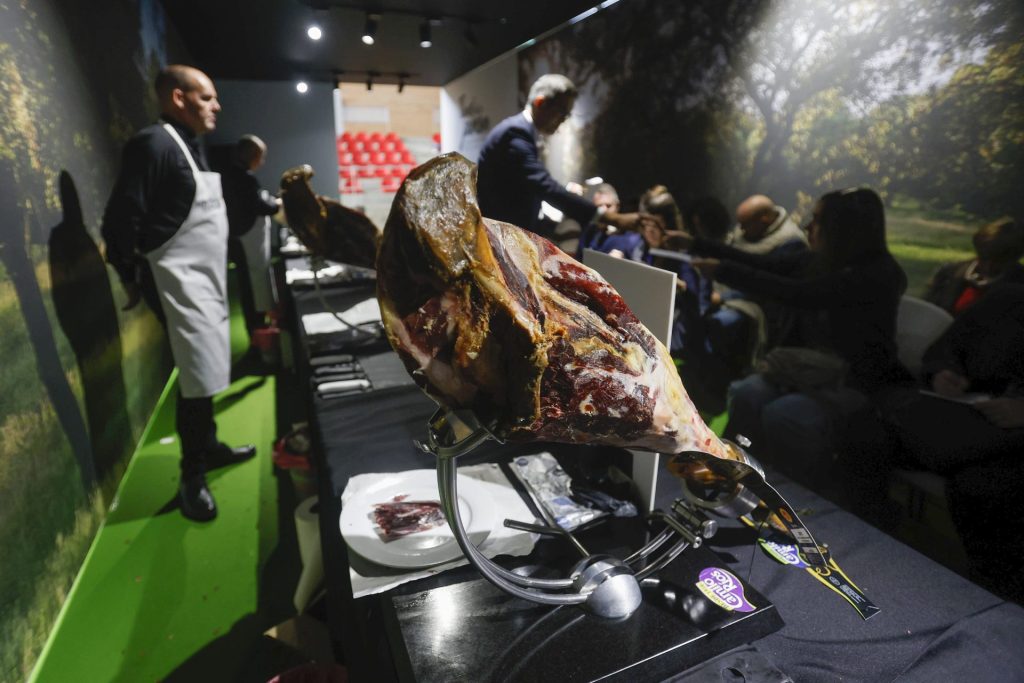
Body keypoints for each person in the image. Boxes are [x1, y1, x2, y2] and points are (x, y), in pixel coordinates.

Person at [101, 64, 255, 522]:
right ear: (177, 98)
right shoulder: (154, 144)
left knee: (205, 368)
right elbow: (120, 219)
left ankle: (209, 445)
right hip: (178, 280)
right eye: (206, 98)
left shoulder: (188, 146)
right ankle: (192, 478)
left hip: (204, 279)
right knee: (195, 375)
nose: (216, 106)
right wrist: (130, 276)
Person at [679, 188, 909, 478]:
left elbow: (798, 293)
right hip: (805, 371)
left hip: (852, 381)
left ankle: (788, 489)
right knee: (746, 393)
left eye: (818, 220)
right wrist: (696, 244)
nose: (808, 226)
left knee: (783, 414)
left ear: (843, 228)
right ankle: (736, 473)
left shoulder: (876, 275)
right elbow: (762, 264)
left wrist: (722, 270)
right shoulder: (820, 261)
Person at [839, 284, 1024, 601]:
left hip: (1009, 446)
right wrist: (944, 371)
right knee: (865, 430)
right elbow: (949, 346)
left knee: (982, 488)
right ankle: (868, 539)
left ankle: (991, 597)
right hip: (965, 416)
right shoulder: (1010, 298)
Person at [477, 74, 636, 238]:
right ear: (540, 103)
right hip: (498, 237)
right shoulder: (515, 132)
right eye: (563, 113)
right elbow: (543, 186)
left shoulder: (521, 133)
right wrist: (613, 218)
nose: (563, 120)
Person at [216, 134, 282, 338]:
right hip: (246, 240)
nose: (262, 162)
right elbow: (260, 206)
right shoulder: (244, 179)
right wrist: (277, 204)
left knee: (250, 283)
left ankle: (258, 325)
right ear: (252, 156)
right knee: (252, 286)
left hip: (240, 238)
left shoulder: (233, 175)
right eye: (261, 157)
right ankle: (258, 329)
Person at [923, 217, 1024, 316]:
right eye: (984, 258)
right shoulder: (949, 273)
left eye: (1000, 261)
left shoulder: (1019, 286)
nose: (988, 266)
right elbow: (925, 311)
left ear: (1016, 257)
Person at [575, 183, 646, 261]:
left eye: (608, 206)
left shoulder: (631, 237)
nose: (604, 211)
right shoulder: (589, 231)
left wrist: (623, 261)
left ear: (617, 206)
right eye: (599, 206)